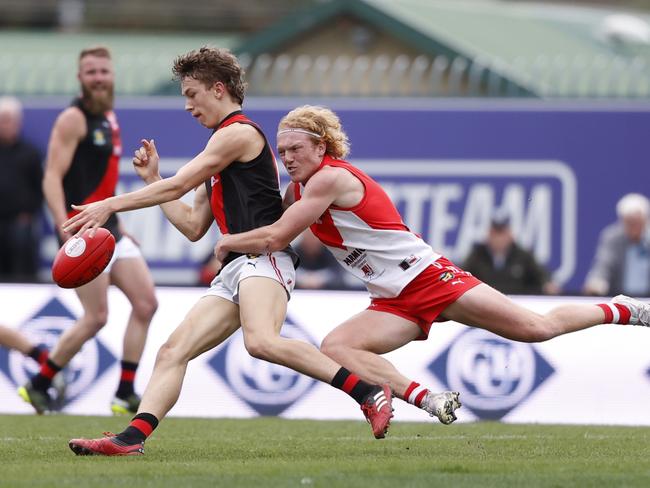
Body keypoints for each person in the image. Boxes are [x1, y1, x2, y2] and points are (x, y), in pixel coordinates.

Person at [201, 105, 650, 424]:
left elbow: (276, 236)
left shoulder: (330, 178)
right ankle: (428, 399)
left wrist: (227, 243)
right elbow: (269, 223)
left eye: (296, 149)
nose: (287, 158)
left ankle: (621, 309)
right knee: (337, 348)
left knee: (535, 328)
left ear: (321, 147)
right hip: (392, 298)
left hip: (429, 279)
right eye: (281, 151)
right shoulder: (299, 190)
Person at [64, 47, 394, 456]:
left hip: (265, 260)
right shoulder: (219, 149)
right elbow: (191, 225)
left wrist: (111, 203)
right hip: (235, 268)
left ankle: (367, 392)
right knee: (173, 350)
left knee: (261, 342)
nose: (187, 106)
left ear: (218, 89)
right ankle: (131, 440)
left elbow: (178, 185)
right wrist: (153, 177)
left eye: (192, 93)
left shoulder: (238, 133)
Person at [18, 46, 158, 416]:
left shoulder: (109, 116)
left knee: (146, 304)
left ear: (113, 76)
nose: (98, 78)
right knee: (96, 317)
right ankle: (39, 382)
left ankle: (125, 391)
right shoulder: (73, 118)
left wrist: (122, 224)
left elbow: (104, 183)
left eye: (104, 71)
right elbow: (52, 176)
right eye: (91, 72)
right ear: (80, 78)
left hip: (111, 228)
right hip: (83, 231)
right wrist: (65, 226)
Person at [463, 211, 560, 295]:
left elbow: (541, 275)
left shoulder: (523, 256)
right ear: (488, 235)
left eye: (502, 233)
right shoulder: (477, 256)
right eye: (495, 234)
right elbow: (463, 276)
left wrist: (547, 284)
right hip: (485, 304)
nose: (498, 239)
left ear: (510, 234)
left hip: (517, 304)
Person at [0, 96, 43, 282]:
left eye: (8, 120)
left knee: (22, 243)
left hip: (20, 220)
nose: (4, 125)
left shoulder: (31, 153)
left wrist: (29, 212)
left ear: (18, 123)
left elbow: (41, 187)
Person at [584, 193, 650, 297]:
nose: (634, 228)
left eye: (637, 222)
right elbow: (604, 264)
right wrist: (596, 282)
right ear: (622, 221)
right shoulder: (612, 237)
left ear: (646, 220)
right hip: (622, 300)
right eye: (629, 223)